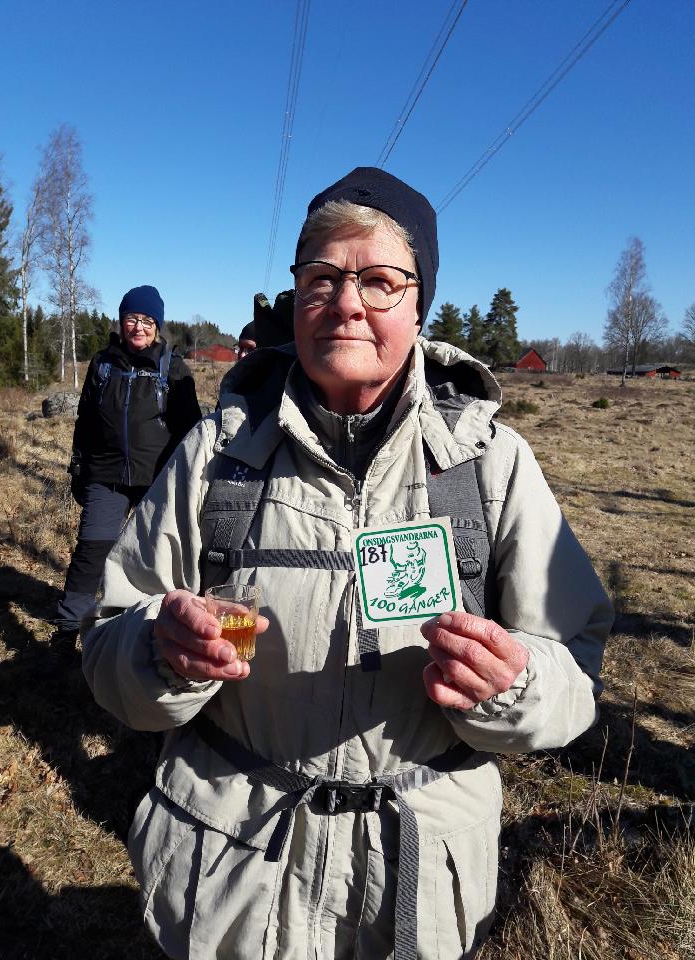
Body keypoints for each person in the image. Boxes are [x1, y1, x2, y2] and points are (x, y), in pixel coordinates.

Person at [82, 170, 613, 960]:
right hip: (231, 879)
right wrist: (158, 649)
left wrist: (516, 684)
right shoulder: (213, 458)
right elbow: (104, 647)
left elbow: (576, 669)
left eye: (380, 280)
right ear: (295, 297)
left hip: (415, 889)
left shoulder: (491, 467)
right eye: (321, 278)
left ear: (419, 305)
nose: (346, 302)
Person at [51, 285, 201, 649]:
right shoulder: (102, 365)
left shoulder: (172, 367)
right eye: (132, 318)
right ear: (121, 322)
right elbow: (86, 422)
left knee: (154, 557)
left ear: (157, 326)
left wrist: (188, 481)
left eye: (147, 320)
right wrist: (78, 467)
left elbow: (192, 430)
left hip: (157, 479)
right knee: (91, 551)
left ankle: (150, 631)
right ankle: (68, 629)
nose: (139, 327)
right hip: (106, 475)